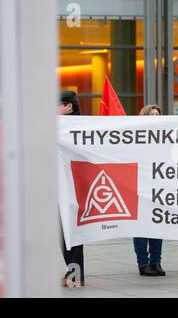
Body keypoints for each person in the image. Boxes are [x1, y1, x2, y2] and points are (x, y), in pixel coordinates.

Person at [132, 104, 166, 276]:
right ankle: (143, 264)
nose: (154, 117)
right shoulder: (136, 137)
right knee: (140, 228)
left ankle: (156, 262)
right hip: (138, 188)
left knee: (157, 226)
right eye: (151, 114)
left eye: (157, 114)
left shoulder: (165, 138)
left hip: (158, 188)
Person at [59, 91, 84, 286]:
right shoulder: (60, 126)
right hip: (63, 185)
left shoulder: (76, 126)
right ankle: (72, 273)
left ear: (69, 106)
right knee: (64, 232)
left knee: (72, 233)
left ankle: (75, 275)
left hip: (74, 187)